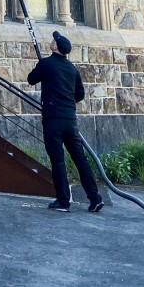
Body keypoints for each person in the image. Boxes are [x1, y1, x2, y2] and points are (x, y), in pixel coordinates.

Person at [27, 30, 105, 213]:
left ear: (55, 46)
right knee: (81, 159)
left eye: (54, 40)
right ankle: (95, 198)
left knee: (58, 161)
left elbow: (31, 79)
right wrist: (66, 103)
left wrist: (41, 67)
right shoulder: (72, 69)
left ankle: (63, 201)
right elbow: (80, 94)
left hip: (53, 120)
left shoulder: (46, 64)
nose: (52, 41)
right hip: (70, 120)